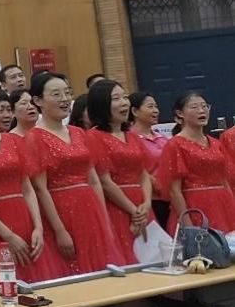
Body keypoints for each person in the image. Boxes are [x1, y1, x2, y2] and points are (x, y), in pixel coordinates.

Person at [0, 81, 66, 285]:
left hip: (24, 219)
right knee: (5, 284)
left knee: (37, 283)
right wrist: (8, 235)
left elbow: (27, 188)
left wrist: (38, 227)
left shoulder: (13, 141)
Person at [25, 72, 123, 275]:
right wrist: (59, 230)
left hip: (90, 207)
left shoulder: (78, 133)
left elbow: (93, 179)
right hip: (61, 209)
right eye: (56, 94)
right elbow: (41, 189)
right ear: (38, 100)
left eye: (67, 93)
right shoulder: (34, 137)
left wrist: (103, 218)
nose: (64, 99)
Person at [85, 81, 151, 265]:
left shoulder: (132, 135)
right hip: (117, 206)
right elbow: (104, 181)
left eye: (125, 97)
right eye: (116, 98)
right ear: (101, 104)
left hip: (142, 206)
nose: (124, 103)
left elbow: (143, 174)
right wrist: (133, 211)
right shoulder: (93, 136)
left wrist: (146, 203)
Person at [159, 92, 235, 234]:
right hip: (195, 207)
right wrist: (188, 224)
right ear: (180, 113)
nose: (201, 110)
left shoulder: (216, 143)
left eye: (204, 106)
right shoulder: (175, 145)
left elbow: (225, 180)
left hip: (223, 205)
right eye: (194, 107)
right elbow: (174, 190)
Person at [129, 92, 170, 226]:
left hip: (169, 197)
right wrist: (155, 183)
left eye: (156, 107)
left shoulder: (162, 138)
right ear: (135, 111)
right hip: (148, 199)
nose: (156, 110)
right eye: (150, 106)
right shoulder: (129, 138)